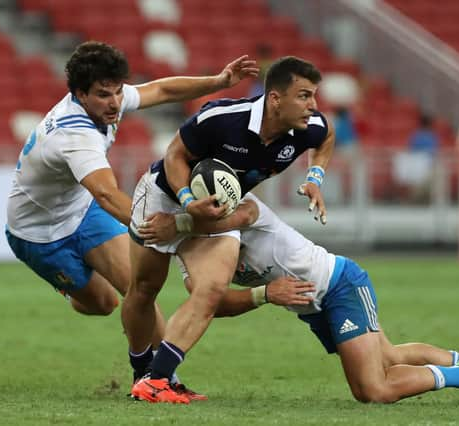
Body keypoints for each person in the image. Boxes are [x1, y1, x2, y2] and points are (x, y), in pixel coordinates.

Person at [144, 193, 459, 404]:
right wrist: (264, 295)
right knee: (387, 358)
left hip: (339, 284)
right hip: (311, 306)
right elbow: (211, 304)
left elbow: (234, 217)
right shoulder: (190, 252)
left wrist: (179, 223)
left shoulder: (241, 207)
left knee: (372, 389)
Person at [124, 56, 336, 403]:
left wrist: (315, 178)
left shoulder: (307, 126)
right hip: (165, 197)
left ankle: (156, 380)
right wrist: (187, 198)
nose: (312, 106)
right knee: (145, 289)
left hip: (219, 212)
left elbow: (327, 137)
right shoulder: (221, 119)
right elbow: (175, 155)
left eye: (314, 96)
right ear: (275, 99)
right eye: (303, 96)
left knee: (211, 289)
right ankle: (140, 368)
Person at [5, 41, 259, 321]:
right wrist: (172, 229)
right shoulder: (76, 136)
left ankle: (158, 367)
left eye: (117, 92)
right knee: (102, 304)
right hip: (38, 234)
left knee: (140, 291)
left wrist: (218, 81)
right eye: (104, 95)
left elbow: (162, 90)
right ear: (80, 94)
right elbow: (107, 196)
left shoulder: (106, 99)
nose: (115, 103)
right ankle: (73, 289)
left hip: (83, 212)